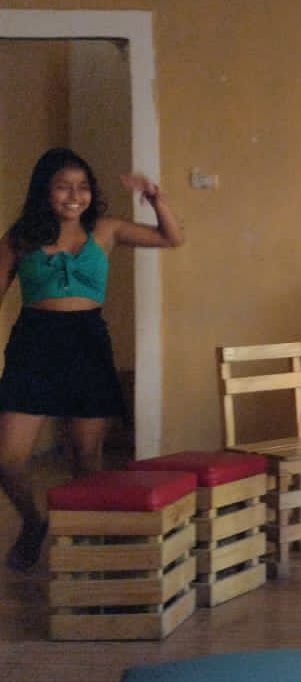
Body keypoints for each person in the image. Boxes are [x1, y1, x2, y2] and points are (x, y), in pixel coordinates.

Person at [0, 147, 184, 571]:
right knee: (8, 457)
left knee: (86, 457)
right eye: (63, 187)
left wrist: (157, 200)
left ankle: (85, 543)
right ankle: (33, 523)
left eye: (82, 187)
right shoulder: (19, 238)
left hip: (87, 344)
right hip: (33, 345)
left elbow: (171, 238)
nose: (74, 196)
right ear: (44, 190)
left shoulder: (106, 229)